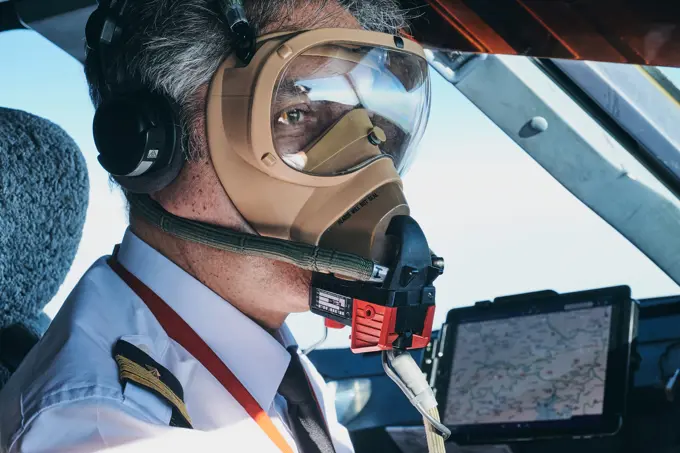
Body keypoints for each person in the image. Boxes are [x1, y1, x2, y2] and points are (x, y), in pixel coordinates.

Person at [0, 0, 434, 452]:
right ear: (153, 151)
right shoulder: (112, 429)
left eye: (370, 125)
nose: (367, 169)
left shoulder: (260, 356)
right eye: (295, 116)